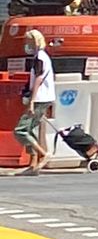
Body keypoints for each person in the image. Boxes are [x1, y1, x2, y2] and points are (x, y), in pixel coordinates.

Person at [12, 29, 55, 175]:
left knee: (21, 130)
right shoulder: (40, 56)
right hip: (42, 98)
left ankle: (43, 153)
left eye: (28, 41)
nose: (26, 44)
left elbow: (38, 78)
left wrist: (32, 100)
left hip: (40, 98)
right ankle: (33, 163)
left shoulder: (40, 57)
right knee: (29, 129)